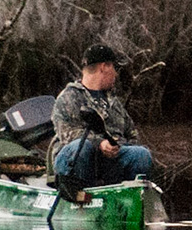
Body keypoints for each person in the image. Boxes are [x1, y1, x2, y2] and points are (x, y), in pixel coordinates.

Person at [50, 43, 155, 187]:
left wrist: (116, 146)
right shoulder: (69, 97)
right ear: (104, 67)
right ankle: (78, 194)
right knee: (82, 147)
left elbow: (132, 134)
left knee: (141, 154)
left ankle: (130, 199)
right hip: (77, 162)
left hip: (109, 164)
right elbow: (67, 134)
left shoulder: (114, 103)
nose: (116, 74)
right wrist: (99, 143)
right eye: (114, 68)